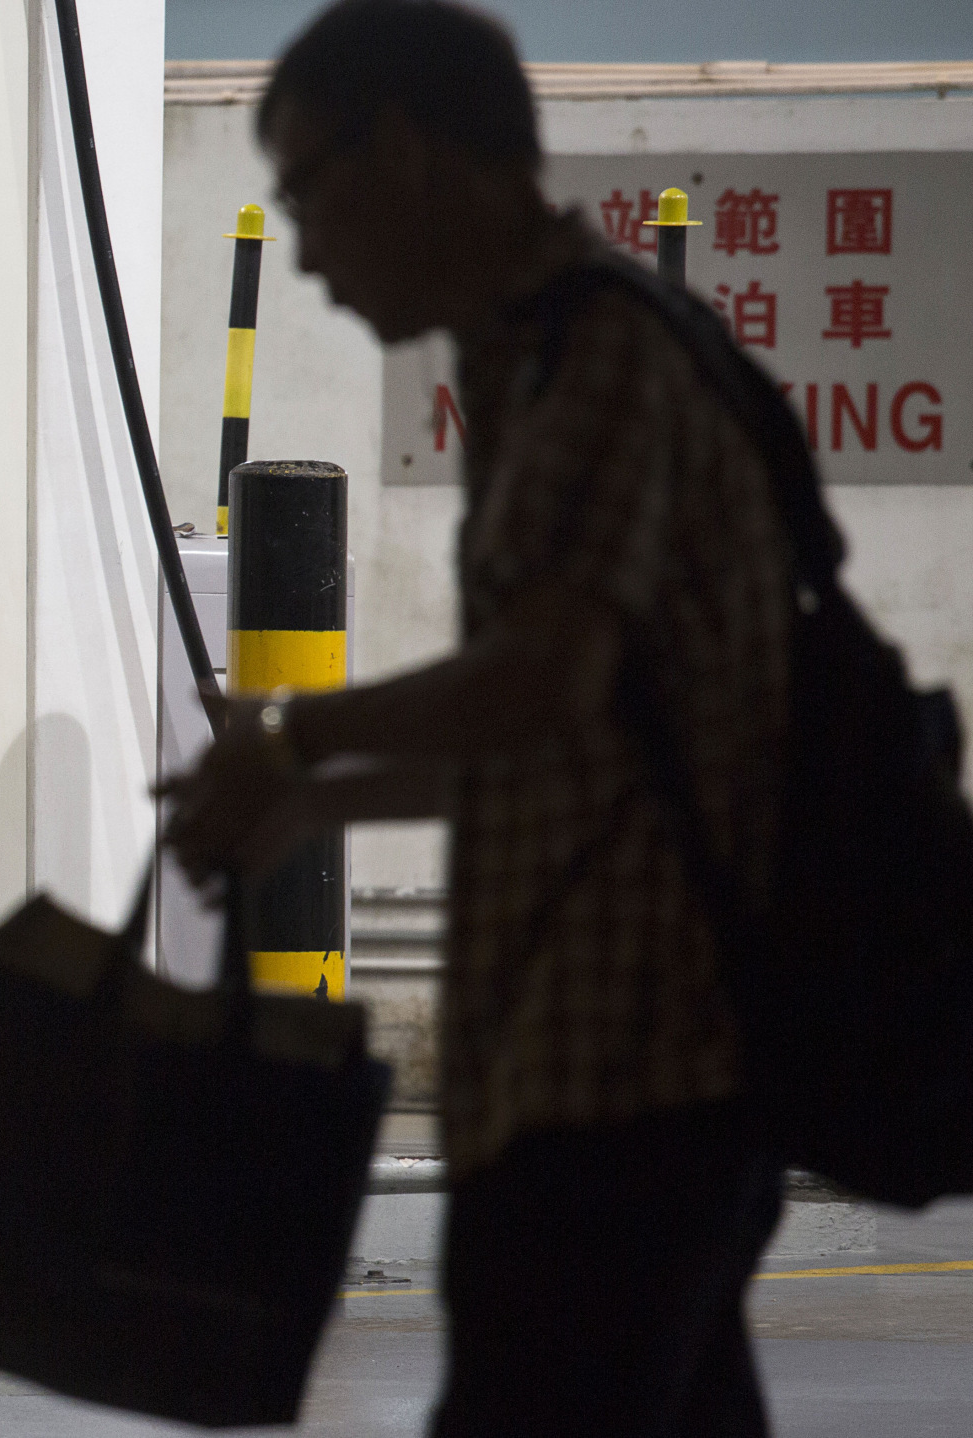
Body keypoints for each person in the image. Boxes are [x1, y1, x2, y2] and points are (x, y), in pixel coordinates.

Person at [161, 3, 796, 1434]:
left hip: (632, 1086)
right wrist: (316, 806)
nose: (309, 248)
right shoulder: (528, 366)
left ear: (406, 153)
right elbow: (582, 748)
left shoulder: (607, 362)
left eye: (311, 191)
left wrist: (300, 742)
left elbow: (546, 677)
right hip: (595, 1082)